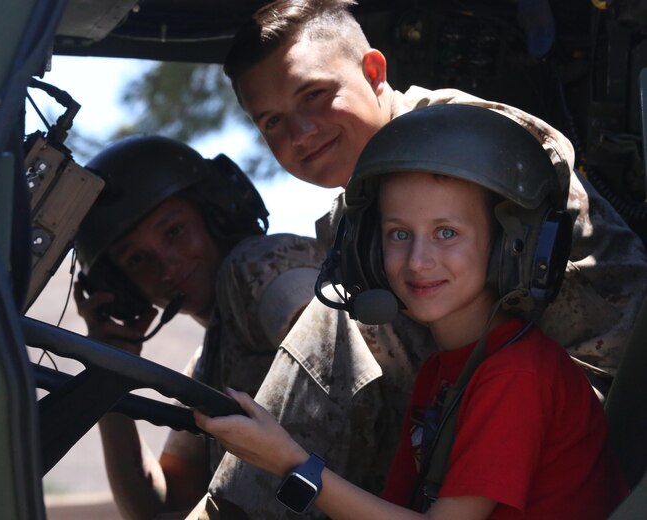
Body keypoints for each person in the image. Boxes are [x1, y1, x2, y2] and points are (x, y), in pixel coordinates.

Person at [199, 0, 647, 517]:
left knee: (342, 317)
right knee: (260, 278)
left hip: (586, 407)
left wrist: (291, 464)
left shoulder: (479, 146)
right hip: (467, 390)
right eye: (273, 121)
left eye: (316, 95)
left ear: (373, 72)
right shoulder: (359, 211)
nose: (301, 132)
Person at [73, 134, 326, 519]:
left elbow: (325, 342)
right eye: (138, 260)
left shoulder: (259, 265)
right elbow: (159, 510)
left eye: (174, 231)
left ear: (218, 213)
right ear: (123, 288)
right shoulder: (207, 366)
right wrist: (109, 379)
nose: (168, 267)